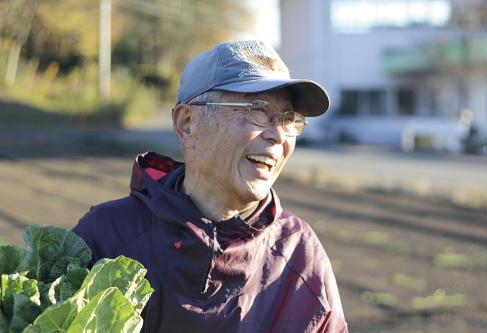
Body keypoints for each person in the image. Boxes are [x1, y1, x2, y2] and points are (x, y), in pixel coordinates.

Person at [73, 40, 348, 333]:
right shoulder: (106, 236)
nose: (279, 135)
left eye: (288, 119)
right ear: (187, 123)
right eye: (258, 109)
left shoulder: (301, 256)